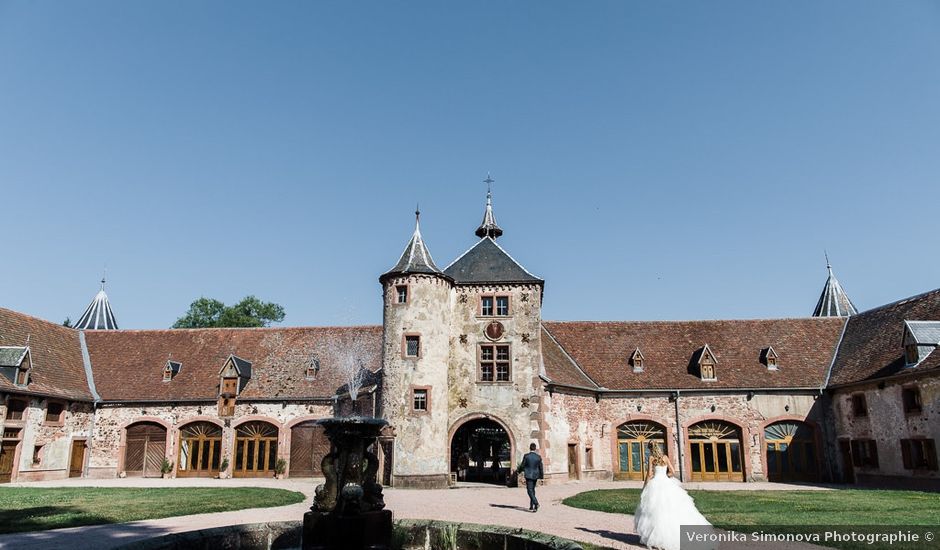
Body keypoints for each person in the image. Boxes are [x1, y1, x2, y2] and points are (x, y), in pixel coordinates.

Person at [633, 442, 710, 550]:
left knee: (655, 512)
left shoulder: (651, 458)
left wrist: (645, 486)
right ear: (658, 447)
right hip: (666, 482)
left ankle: (657, 539)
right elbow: (672, 471)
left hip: (655, 484)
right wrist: (665, 476)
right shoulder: (665, 457)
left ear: (650, 449)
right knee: (672, 510)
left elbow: (649, 474)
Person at [516, 442, 544, 512]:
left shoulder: (526, 456)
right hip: (535, 475)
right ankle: (532, 506)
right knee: (533, 490)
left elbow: (522, 465)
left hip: (529, 475)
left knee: (529, 490)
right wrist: (541, 476)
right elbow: (541, 467)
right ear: (535, 448)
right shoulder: (538, 457)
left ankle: (536, 503)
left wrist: (518, 471)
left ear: (530, 448)